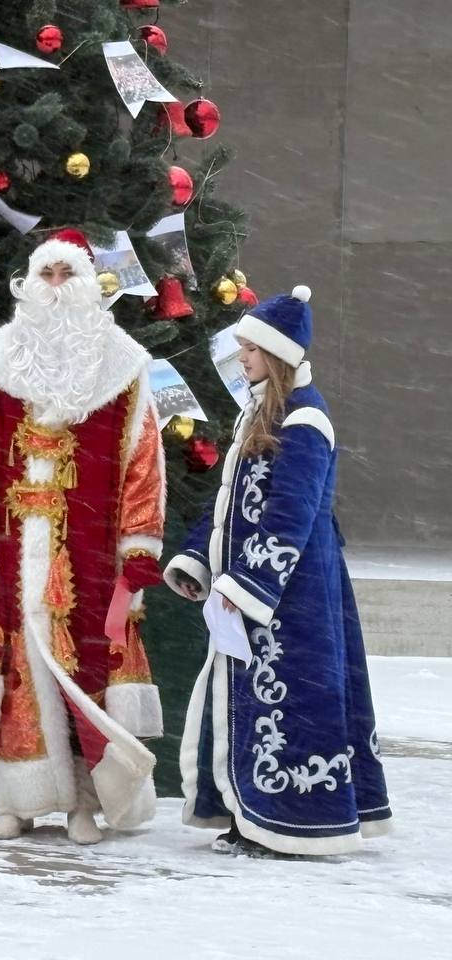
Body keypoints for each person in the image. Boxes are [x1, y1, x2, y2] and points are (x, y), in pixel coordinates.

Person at [0, 231, 166, 845]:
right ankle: (20, 799)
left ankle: (86, 803)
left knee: (87, 669)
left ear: (90, 285)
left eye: (68, 275)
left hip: (89, 553)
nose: (56, 287)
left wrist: (139, 550)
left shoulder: (124, 368)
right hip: (15, 553)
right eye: (47, 275)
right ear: (29, 284)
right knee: (19, 677)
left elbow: (141, 462)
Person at [164, 285, 393, 856]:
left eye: (249, 349)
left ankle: (294, 823)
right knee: (250, 703)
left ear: (278, 354)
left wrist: (245, 587)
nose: (240, 358)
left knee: (293, 705)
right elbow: (231, 507)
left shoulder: (306, 419)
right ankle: (252, 815)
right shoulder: (263, 411)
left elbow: (288, 517)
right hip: (263, 588)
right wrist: (199, 562)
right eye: (241, 348)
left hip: (298, 594)